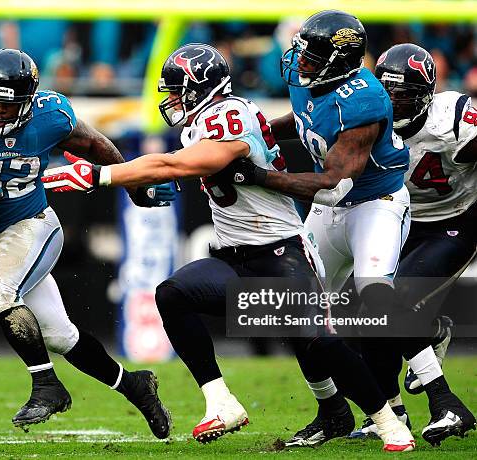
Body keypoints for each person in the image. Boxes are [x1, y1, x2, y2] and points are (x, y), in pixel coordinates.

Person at [42, 42, 414, 451]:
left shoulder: (229, 116)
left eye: (178, 89)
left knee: (319, 340)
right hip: (236, 256)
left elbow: (179, 164)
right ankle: (221, 402)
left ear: (202, 86)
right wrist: (141, 188)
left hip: (282, 253)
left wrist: (102, 175)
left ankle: (387, 421)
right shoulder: (203, 120)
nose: (172, 99)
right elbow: (181, 169)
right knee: (173, 294)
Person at [216, 11, 473, 447]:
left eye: (313, 55)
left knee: (375, 293)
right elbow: (299, 124)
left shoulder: (365, 101)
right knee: (297, 307)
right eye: (304, 53)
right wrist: (257, 138)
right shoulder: (307, 81)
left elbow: (329, 180)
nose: (302, 63)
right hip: (332, 210)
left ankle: (445, 400)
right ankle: (338, 410)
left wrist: (255, 174)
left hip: (377, 203)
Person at [0, 48, 172, 438]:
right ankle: (137, 387)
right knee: (60, 335)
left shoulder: (50, 117)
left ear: (28, 101)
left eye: (7, 104)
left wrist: (132, 189)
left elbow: (98, 147)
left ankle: (47, 386)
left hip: (34, 225)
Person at [349, 43, 476, 444]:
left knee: (394, 296)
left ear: (425, 95)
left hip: (455, 219)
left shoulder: (453, 118)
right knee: (364, 308)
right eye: (387, 93)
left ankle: (445, 402)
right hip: (398, 219)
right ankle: (389, 411)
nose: (393, 103)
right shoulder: (367, 116)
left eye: (402, 95)